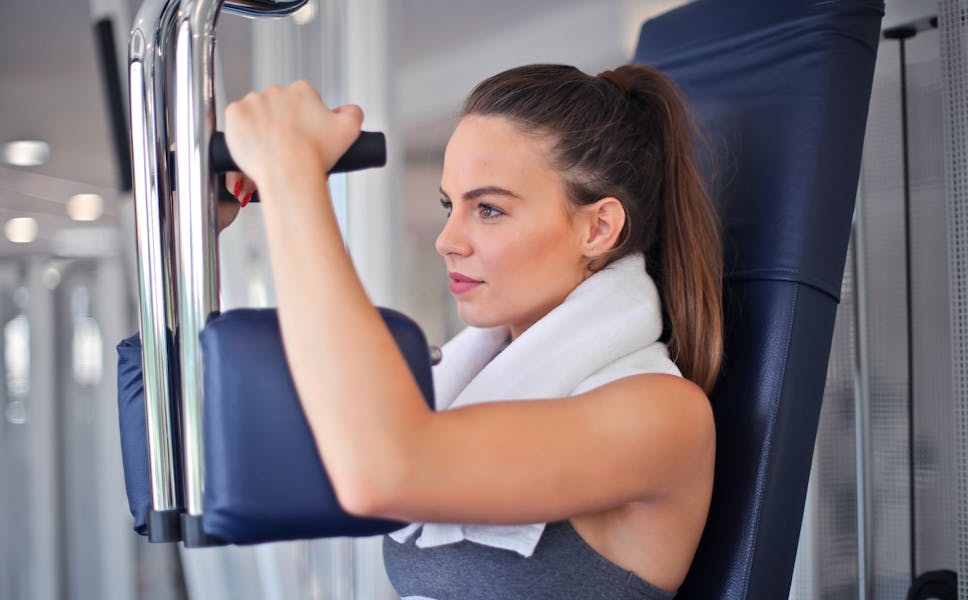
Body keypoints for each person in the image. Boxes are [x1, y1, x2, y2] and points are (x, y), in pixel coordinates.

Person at [220, 63, 722, 599]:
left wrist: (293, 176)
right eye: (449, 205)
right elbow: (322, 438)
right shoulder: (465, 386)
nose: (447, 239)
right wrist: (198, 225)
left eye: (487, 208)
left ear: (598, 228)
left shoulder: (663, 415)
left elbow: (385, 472)